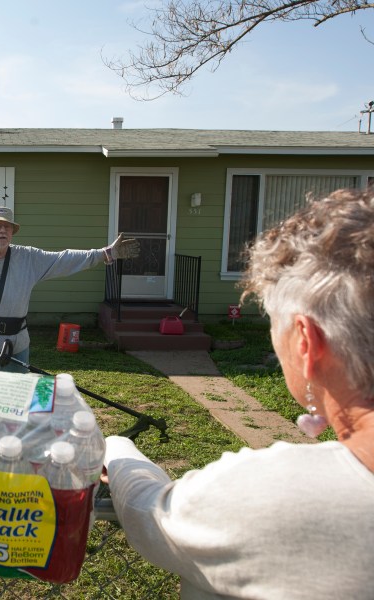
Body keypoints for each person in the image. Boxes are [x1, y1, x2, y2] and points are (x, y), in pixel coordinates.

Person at [102, 188, 374, 599]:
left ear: (306, 343)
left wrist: (117, 449)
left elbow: (151, 511)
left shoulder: (272, 493)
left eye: (274, 327)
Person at [0, 206, 140, 372]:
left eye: (7, 226)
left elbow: (64, 258)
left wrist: (105, 253)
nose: (2, 230)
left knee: (17, 403)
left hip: (17, 346)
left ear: (13, 232)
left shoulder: (28, 258)